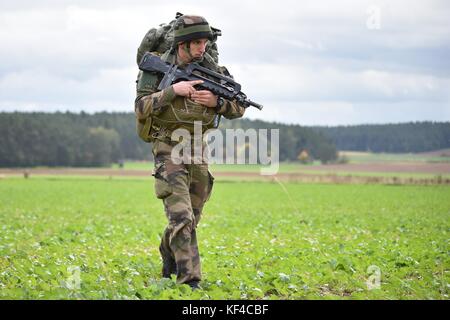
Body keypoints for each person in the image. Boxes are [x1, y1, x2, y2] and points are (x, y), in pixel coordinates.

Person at [134, 15, 246, 289]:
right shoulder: (156, 69)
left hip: (197, 149)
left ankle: (167, 250)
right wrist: (173, 90)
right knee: (181, 217)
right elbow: (140, 108)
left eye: (205, 43)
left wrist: (217, 102)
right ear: (182, 44)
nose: (201, 49)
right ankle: (190, 283)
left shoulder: (211, 70)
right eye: (196, 43)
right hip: (167, 148)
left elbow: (239, 107)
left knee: (190, 219)